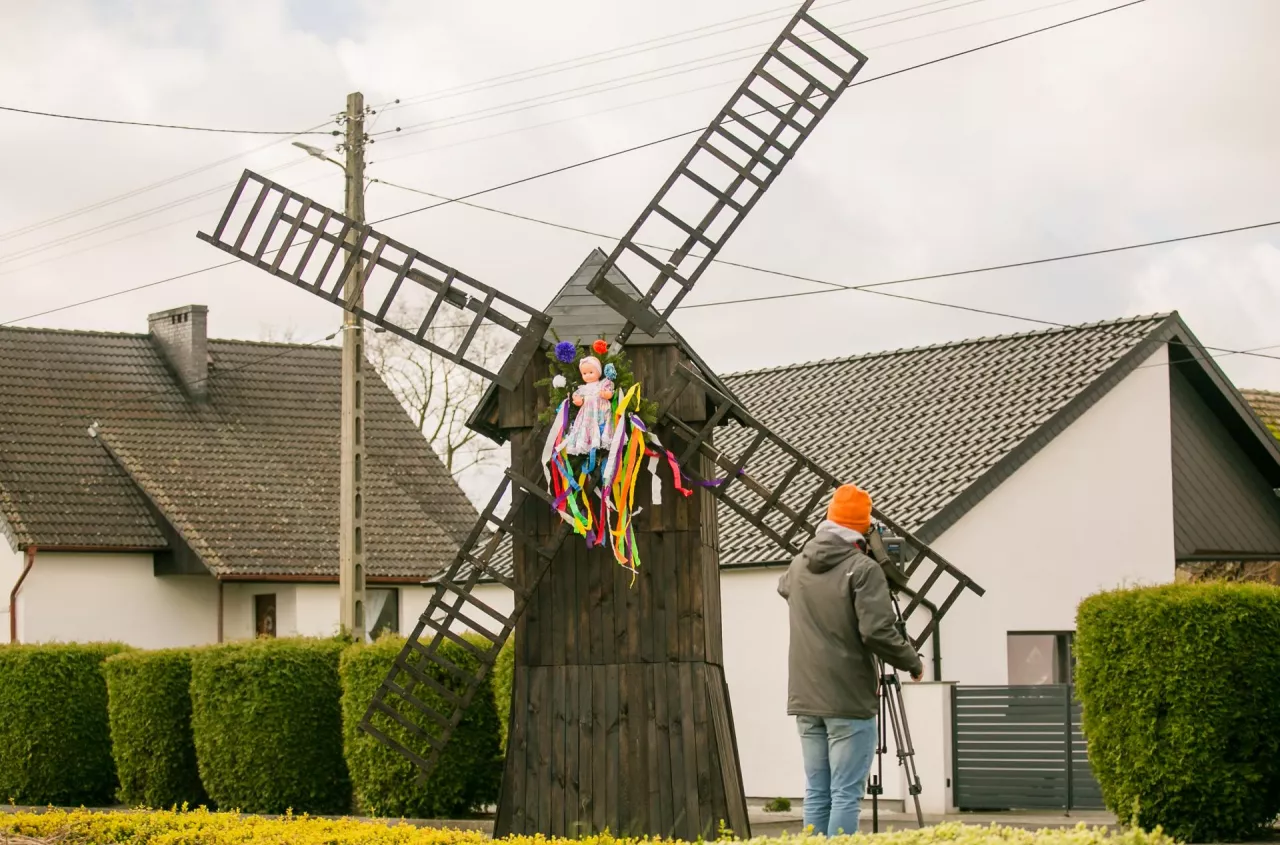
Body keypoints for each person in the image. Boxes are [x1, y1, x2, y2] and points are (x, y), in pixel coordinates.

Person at [777, 483, 924, 837]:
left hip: (806, 699)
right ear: (864, 526)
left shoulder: (799, 566)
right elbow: (877, 632)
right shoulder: (863, 569)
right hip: (847, 700)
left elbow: (783, 587)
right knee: (845, 794)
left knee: (817, 792)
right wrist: (913, 662)